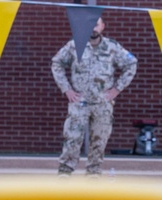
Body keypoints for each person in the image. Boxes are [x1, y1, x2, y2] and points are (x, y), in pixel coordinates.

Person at [51, 17, 138, 176]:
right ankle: (64, 174)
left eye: (96, 25)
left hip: (102, 103)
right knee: (72, 139)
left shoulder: (112, 47)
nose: (93, 28)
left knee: (99, 141)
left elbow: (131, 64)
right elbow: (56, 63)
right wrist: (66, 89)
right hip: (79, 102)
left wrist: (117, 89)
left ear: (102, 27)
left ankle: (94, 175)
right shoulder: (74, 45)